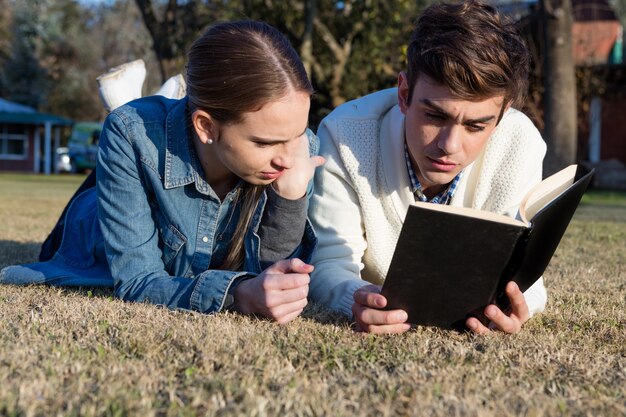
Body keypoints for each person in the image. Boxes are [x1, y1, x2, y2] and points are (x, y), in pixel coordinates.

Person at [0, 20, 324, 324]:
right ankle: (147, 111)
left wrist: (289, 199)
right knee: (135, 131)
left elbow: (274, 284)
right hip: (92, 232)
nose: (287, 158)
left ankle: (165, 104)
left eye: (296, 134)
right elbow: (138, 281)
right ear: (206, 126)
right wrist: (237, 294)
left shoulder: (298, 151)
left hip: (190, 141)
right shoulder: (126, 134)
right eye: (265, 142)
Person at [308, 1, 548, 334]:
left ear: (502, 116)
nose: (449, 145)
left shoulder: (520, 142)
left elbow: (525, 273)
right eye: (435, 116)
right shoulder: (345, 134)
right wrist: (355, 297)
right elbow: (328, 262)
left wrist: (518, 304)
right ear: (404, 93)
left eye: (477, 126)